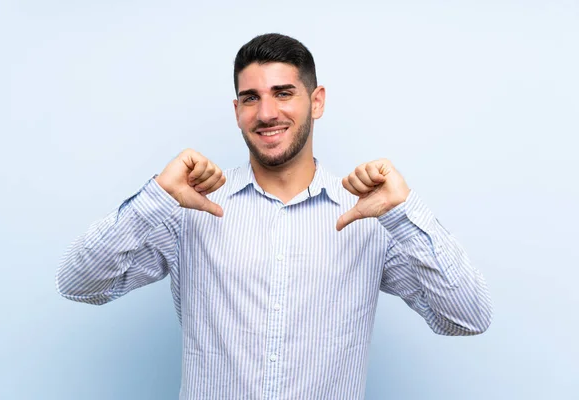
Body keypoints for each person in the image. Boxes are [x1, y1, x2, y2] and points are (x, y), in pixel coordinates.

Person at [56, 33, 492, 399]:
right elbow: (79, 284)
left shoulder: (370, 217)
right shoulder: (189, 209)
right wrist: (158, 196)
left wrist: (402, 212)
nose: (266, 114)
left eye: (283, 93)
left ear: (316, 101)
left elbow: (467, 318)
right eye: (251, 98)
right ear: (237, 110)